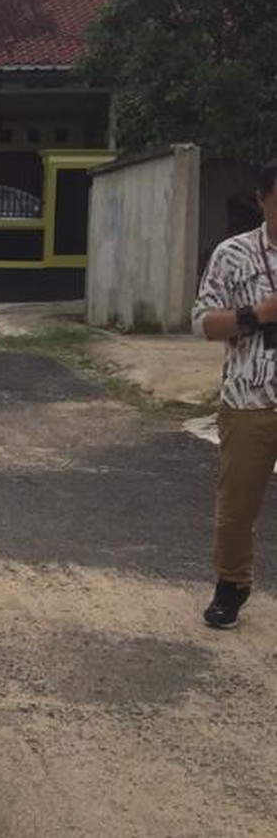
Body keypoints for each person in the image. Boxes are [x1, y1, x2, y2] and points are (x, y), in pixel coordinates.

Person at [192, 160, 277, 630]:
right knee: (238, 504)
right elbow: (203, 324)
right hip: (251, 398)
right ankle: (231, 585)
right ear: (261, 197)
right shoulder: (232, 254)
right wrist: (257, 314)